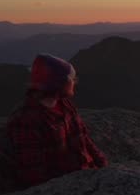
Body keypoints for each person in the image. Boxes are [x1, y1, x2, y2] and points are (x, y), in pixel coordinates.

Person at [7, 54, 108, 187]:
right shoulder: (26, 120)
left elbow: (84, 138)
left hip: (88, 174)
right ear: (59, 83)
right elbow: (33, 172)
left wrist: (103, 164)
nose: (74, 82)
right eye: (71, 79)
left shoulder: (65, 104)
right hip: (67, 185)